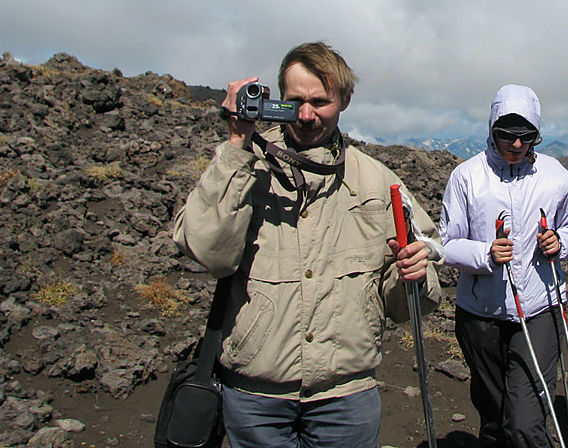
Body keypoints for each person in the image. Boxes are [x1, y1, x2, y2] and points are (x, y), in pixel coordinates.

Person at [172, 42, 444, 448]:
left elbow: (412, 304)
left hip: (346, 396)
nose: (305, 115)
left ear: (344, 101)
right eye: (294, 101)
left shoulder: (375, 182)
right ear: (277, 99)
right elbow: (208, 253)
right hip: (255, 395)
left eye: (320, 101)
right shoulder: (247, 167)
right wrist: (235, 144)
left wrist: (415, 276)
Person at [440, 84, 568, 447]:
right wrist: (485, 254)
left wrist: (561, 242)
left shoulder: (554, 175)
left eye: (527, 136)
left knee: (524, 421)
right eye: (506, 134)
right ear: (492, 129)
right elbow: (446, 243)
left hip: (540, 308)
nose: (516, 144)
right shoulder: (467, 176)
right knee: (493, 417)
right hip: (480, 313)